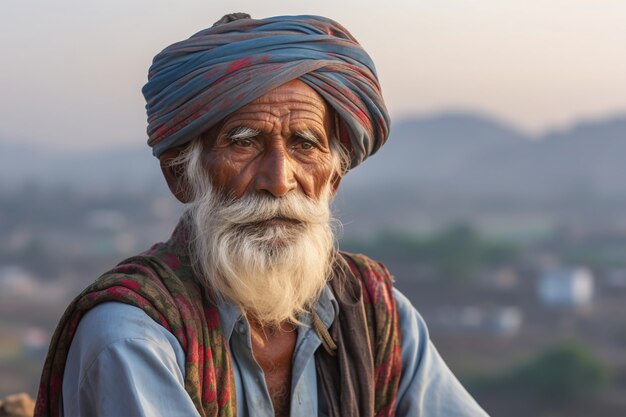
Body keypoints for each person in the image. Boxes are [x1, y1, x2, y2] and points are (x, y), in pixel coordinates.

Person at [34, 13, 489, 417]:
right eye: (244, 141)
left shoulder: (376, 316)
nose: (279, 179)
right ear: (181, 177)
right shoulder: (131, 338)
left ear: (333, 181)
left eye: (305, 144)